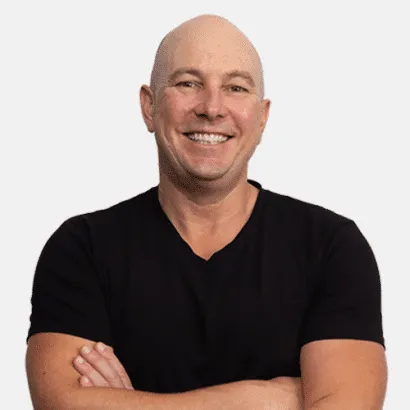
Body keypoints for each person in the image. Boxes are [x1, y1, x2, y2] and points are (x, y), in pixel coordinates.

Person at [25, 14, 387, 409]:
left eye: (236, 88)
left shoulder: (331, 247)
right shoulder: (82, 250)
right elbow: (62, 403)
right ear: (149, 106)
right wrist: (265, 400)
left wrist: (128, 404)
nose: (212, 108)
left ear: (262, 117)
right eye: (188, 83)